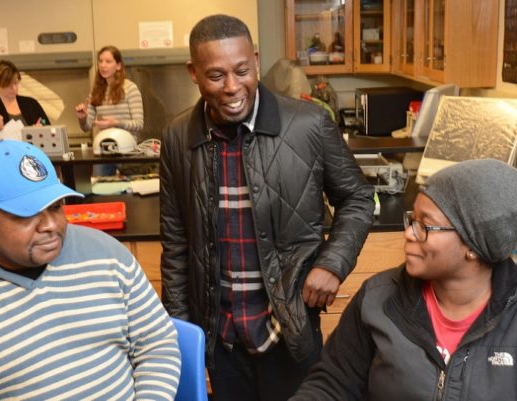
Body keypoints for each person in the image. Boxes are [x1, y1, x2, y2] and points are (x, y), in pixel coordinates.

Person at [159, 14, 375, 401]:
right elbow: (176, 243)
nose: (231, 87)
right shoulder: (177, 137)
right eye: (215, 75)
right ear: (193, 72)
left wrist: (331, 264)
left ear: (256, 61)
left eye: (242, 70)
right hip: (219, 338)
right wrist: (182, 336)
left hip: (289, 330)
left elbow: (358, 198)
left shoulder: (309, 125)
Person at [0, 140, 181, 400]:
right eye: (25, 214)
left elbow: (158, 344)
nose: (50, 225)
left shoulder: (107, 254)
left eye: (55, 207)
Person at [291, 159, 517, 401]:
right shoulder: (378, 298)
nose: (409, 234)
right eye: (412, 220)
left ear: (473, 245)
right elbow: (332, 384)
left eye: (425, 226)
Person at [75, 45, 144, 176]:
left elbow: (139, 124)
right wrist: (82, 118)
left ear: (118, 66)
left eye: (108, 61)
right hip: (103, 150)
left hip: (127, 150)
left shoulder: (130, 88)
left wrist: (115, 123)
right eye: (100, 61)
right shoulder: (95, 92)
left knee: (130, 190)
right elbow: (86, 127)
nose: (103, 65)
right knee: (99, 189)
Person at [0, 59, 50, 126]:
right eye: (8, 85)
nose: (14, 88)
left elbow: (45, 122)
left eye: (15, 83)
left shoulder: (31, 103)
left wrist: (42, 125)